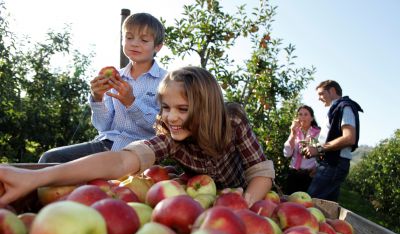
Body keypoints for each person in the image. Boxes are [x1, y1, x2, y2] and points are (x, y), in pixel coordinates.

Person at [0, 66, 275, 206]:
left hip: (244, 193)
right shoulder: (170, 134)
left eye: (182, 109)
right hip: (202, 202)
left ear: (206, 108)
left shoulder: (232, 121)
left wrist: (246, 202)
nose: (170, 117)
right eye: (166, 108)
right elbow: (120, 162)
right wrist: (36, 177)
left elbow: (260, 169)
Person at [38, 13, 167, 163]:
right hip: (105, 144)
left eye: (144, 40)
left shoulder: (166, 81)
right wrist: (97, 98)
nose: (134, 44)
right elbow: (103, 125)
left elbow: (162, 128)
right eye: (129, 37)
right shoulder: (114, 77)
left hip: (140, 151)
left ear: (158, 46)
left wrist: (131, 102)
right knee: (50, 158)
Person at [304, 80, 363, 201]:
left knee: (311, 204)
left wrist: (318, 149)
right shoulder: (336, 109)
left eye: (321, 94)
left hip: (334, 164)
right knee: (326, 207)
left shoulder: (344, 107)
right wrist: (320, 163)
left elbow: (349, 138)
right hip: (330, 163)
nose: (319, 98)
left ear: (332, 91)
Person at [283, 105, 320, 194]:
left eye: (306, 114)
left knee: (306, 204)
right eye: (300, 114)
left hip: (309, 175)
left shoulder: (317, 133)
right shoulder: (296, 132)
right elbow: (287, 153)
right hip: (293, 174)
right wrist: (293, 133)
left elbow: (321, 153)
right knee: (289, 202)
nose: (302, 117)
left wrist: (317, 168)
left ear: (311, 118)